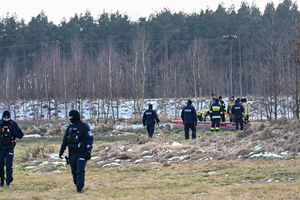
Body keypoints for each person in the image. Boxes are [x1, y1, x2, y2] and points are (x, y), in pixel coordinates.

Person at [59, 110, 94, 193]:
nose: (70, 119)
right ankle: (77, 184)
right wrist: (61, 151)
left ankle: (79, 188)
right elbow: (65, 140)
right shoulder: (70, 127)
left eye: (71, 117)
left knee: (79, 171)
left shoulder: (84, 126)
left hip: (82, 152)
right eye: (69, 117)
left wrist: (88, 151)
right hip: (72, 153)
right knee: (74, 171)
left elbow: (90, 139)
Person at [0, 110, 23, 187]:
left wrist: (13, 132)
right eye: (5, 118)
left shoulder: (13, 124)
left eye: (8, 118)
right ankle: (1, 181)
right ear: (2, 117)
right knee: (0, 165)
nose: (6, 119)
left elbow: (20, 135)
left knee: (9, 165)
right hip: (1, 148)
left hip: (9, 147)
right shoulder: (0, 123)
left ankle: (8, 182)